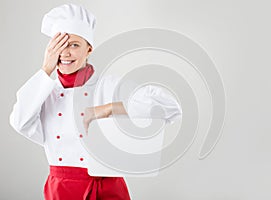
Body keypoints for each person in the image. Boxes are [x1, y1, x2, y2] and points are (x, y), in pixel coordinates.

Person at [9, 3, 182, 200]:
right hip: (60, 189)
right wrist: (45, 70)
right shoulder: (44, 92)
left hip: (107, 188)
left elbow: (170, 107)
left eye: (74, 45)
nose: (65, 53)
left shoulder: (109, 86)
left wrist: (108, 109)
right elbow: (19, 121)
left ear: (89, 49)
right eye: (59, 45)